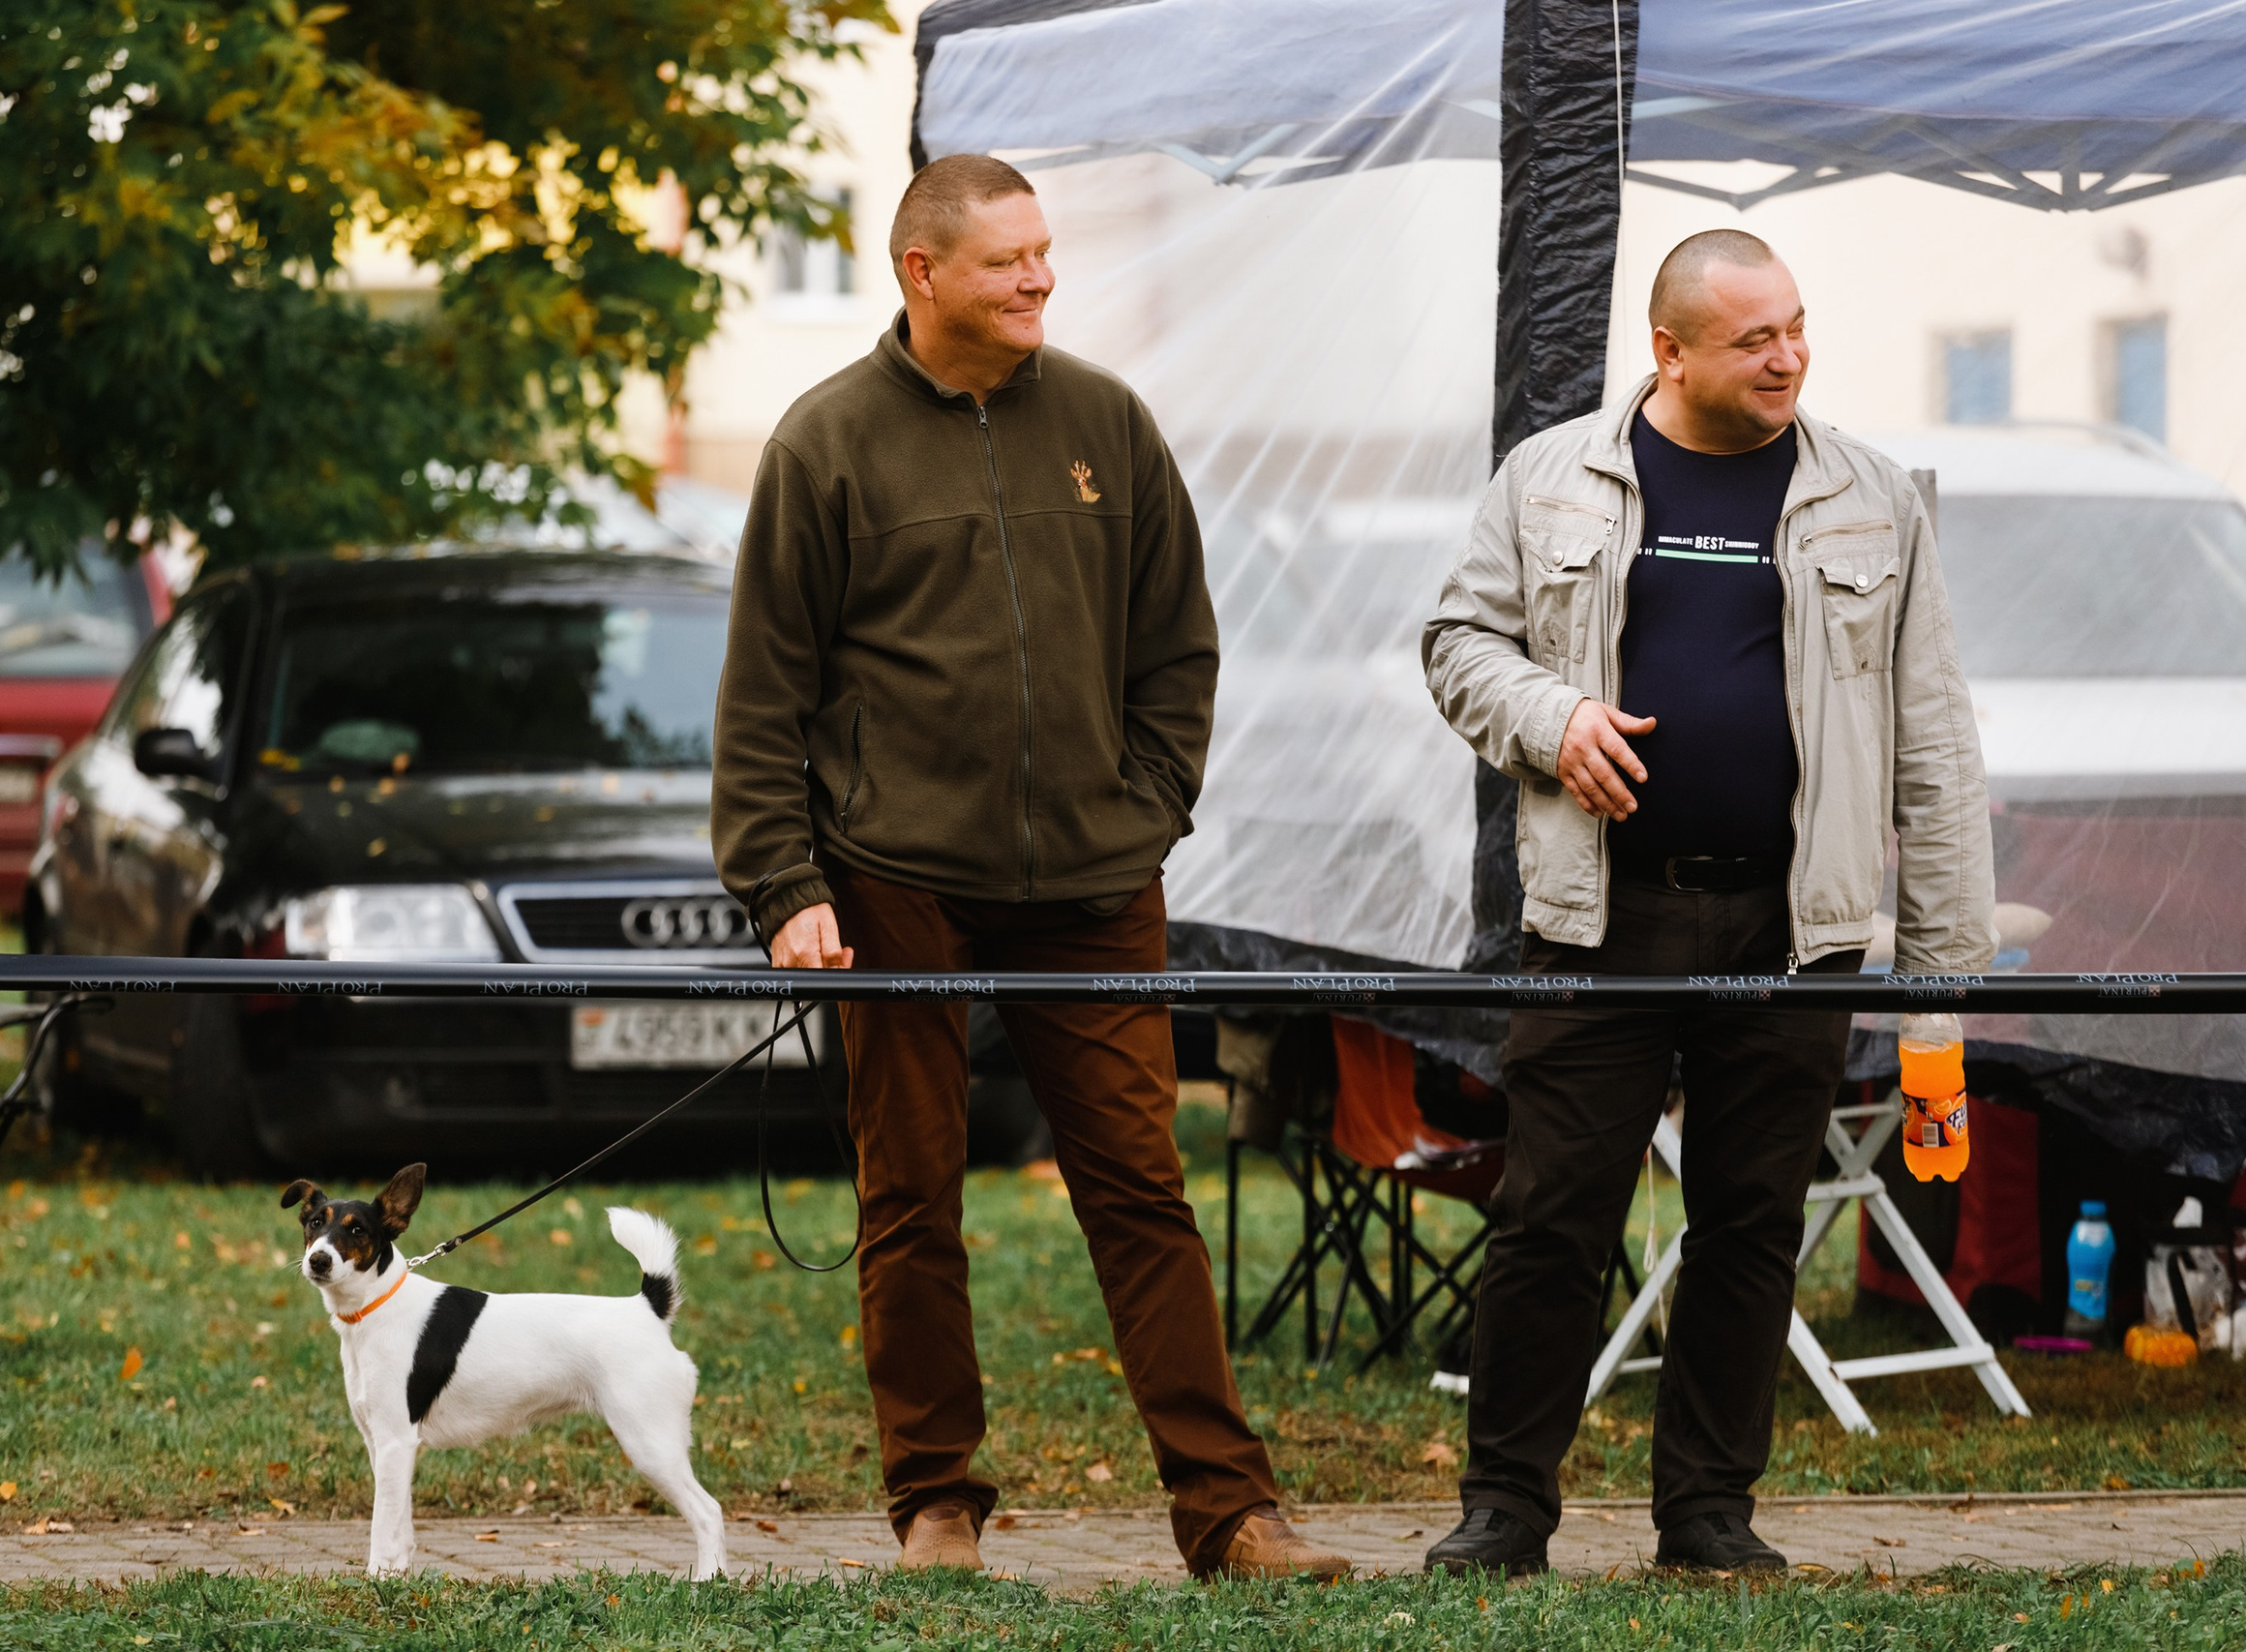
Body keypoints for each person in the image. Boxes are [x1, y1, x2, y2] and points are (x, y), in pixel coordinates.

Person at [712, 154, 1347, 1582]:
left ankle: (1232, 1512)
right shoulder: (825, 444)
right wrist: (786, 882)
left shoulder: (1106, 424)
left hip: (1095, 878)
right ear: (922, 273)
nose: (1041, 280)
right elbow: (764, 693)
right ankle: (937, 1503)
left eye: (1045, 255)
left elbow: (1180, 641)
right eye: (1008, 262)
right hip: (893, 873)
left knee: (1139, 1188)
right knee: (911, 1194)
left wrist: (1151, 804)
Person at [1420, 229, 1993, 1575]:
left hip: (1795, 927)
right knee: (1553, 1217)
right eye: (1754, 338)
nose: (1788, 355)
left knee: (1749, 1223)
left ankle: (1709, 1519)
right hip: (1596, 916)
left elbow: (1935, 740)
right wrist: (1550, 721)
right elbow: (1458, 644)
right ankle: (1504, 1510)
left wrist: (1945, 989)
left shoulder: (1869, 496)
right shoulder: (1550, 477)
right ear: (1669, 351)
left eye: (1796, 327)